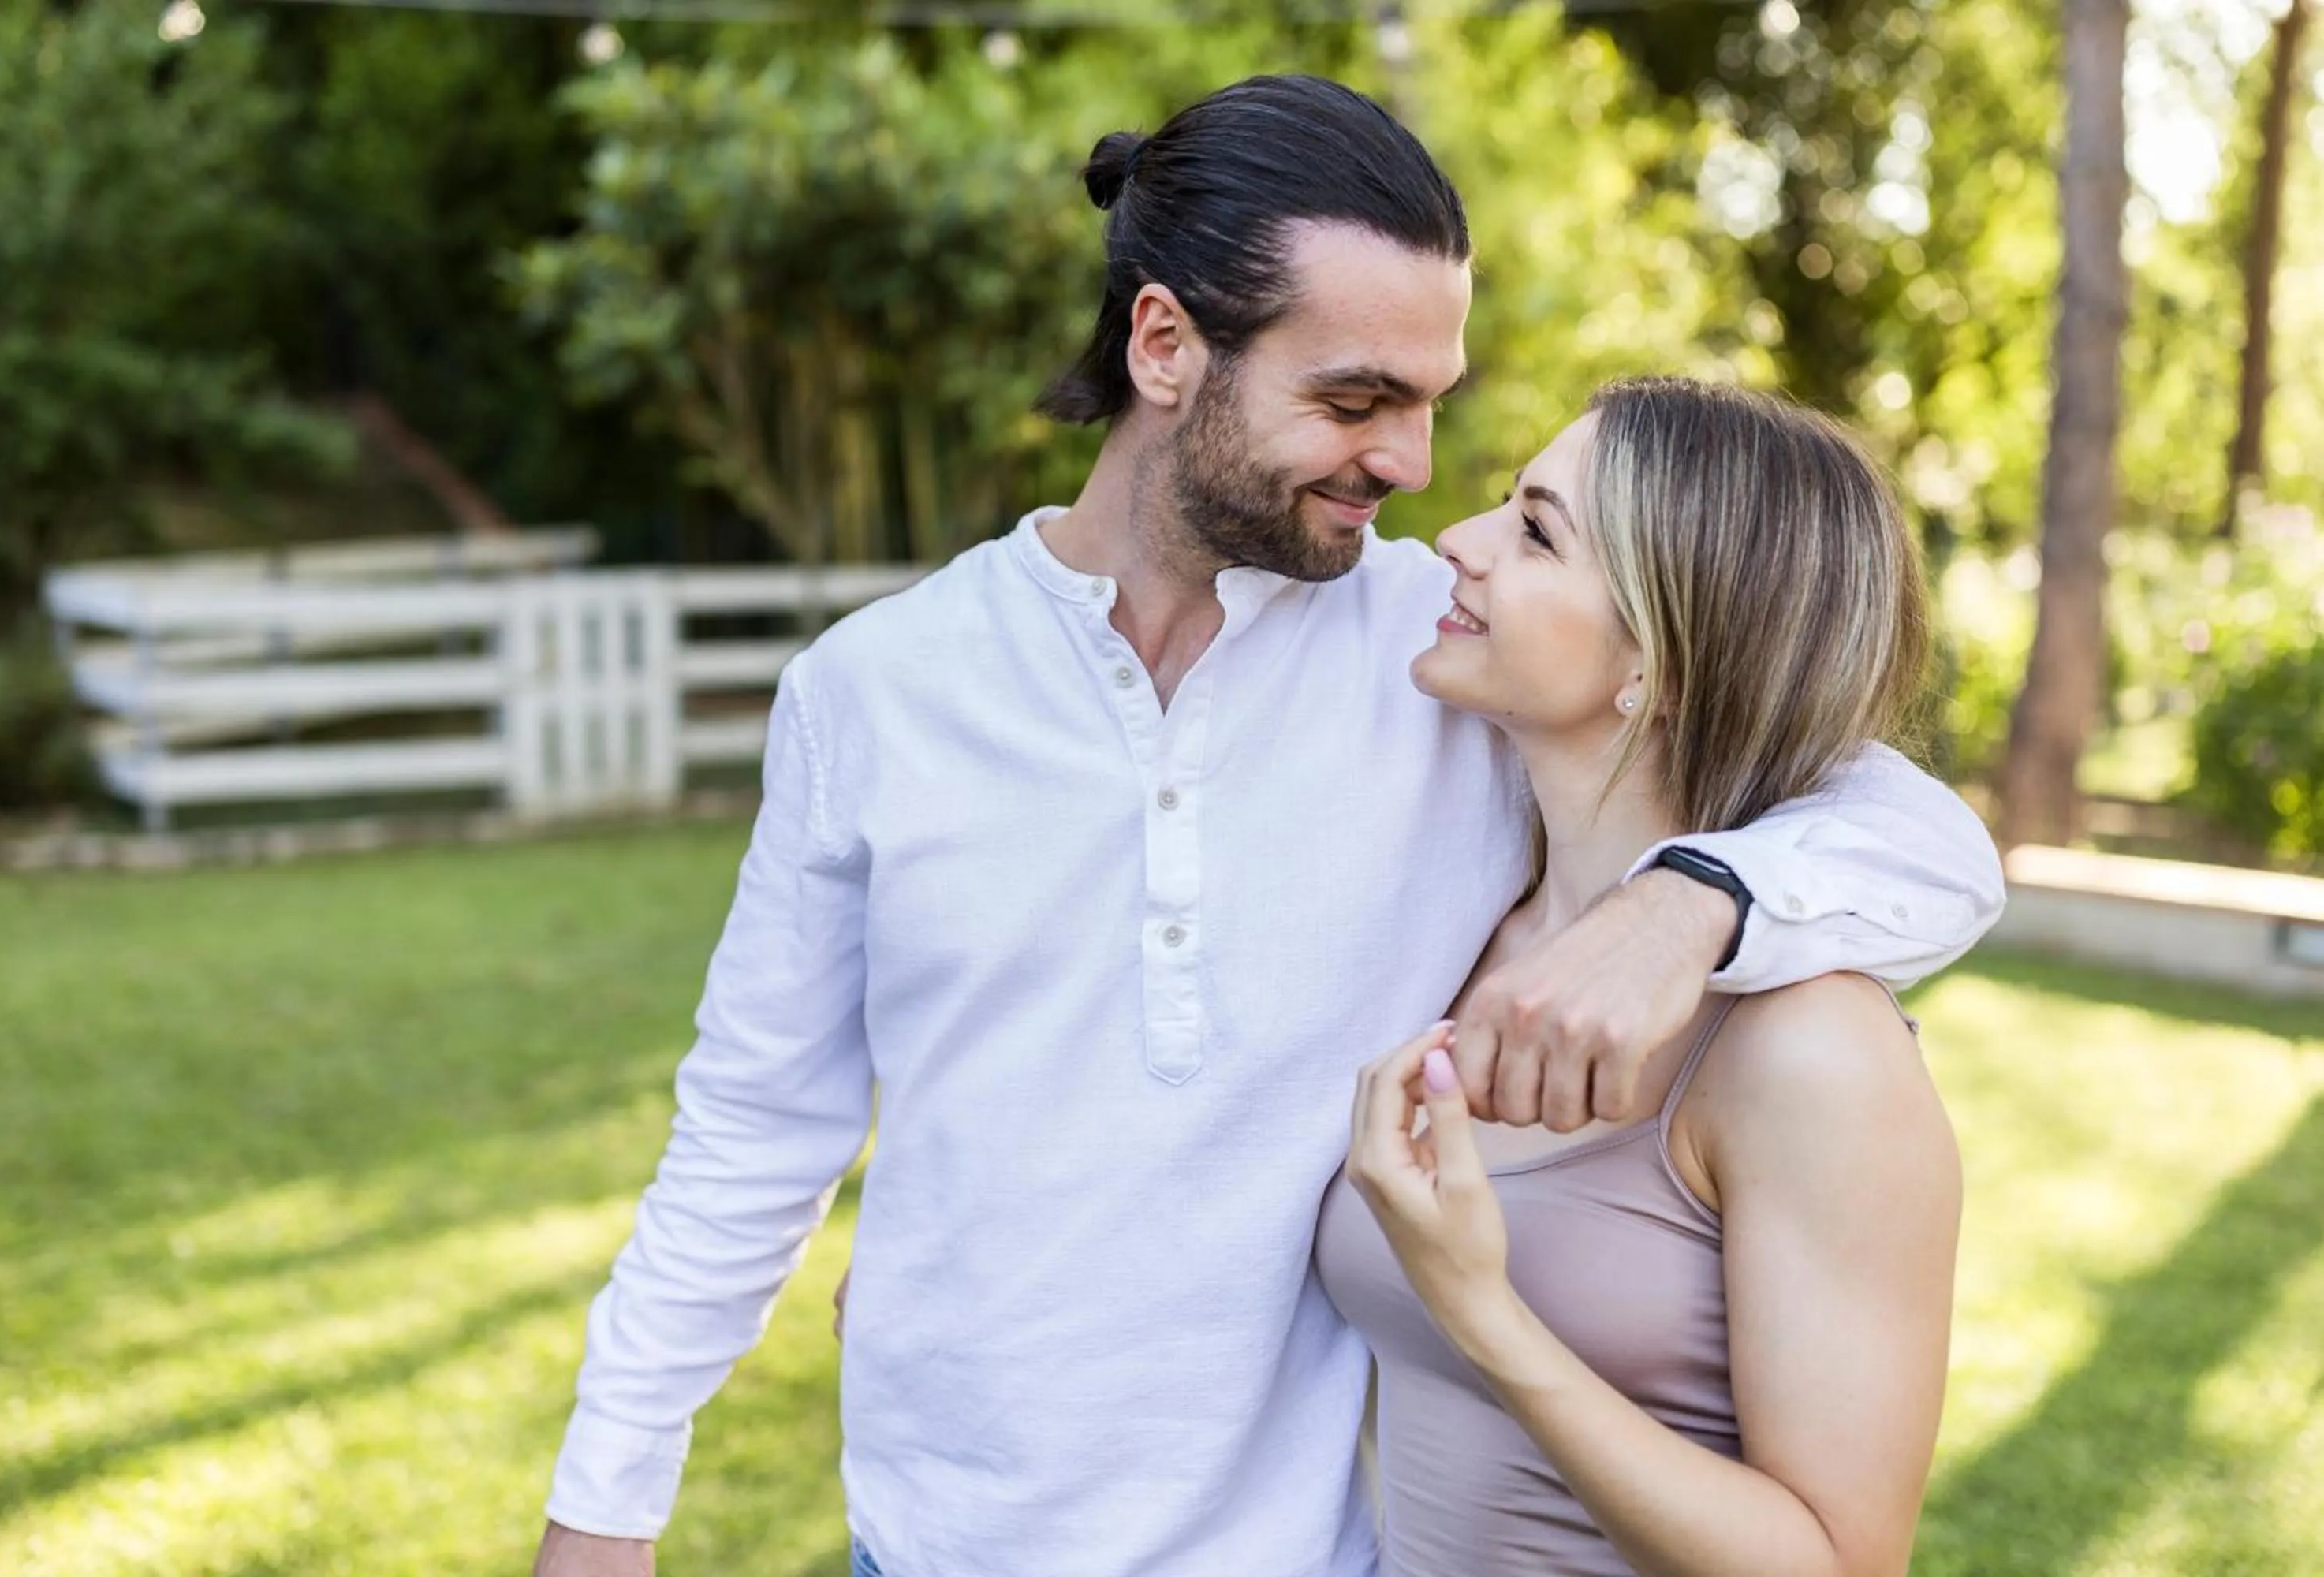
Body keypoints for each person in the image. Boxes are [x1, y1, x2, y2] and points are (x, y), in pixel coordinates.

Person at [533, 76, 2001, 1577]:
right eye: (1355, 401)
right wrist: (605, 1508)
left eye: (1432, 404)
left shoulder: (1442, 662)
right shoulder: (875, 693)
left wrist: (1691, 901)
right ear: (1164, 345)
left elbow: (1914, 830)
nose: (1412, 468)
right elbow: (749, 1134)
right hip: (931, 1543)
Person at [1324, 378, 1964, 1576]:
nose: (1454, 545)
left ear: (1662, 662)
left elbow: (1837, 1562)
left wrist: (1483, 1313)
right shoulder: (1461, 925)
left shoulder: (1810, 1052)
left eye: (1535, 531)